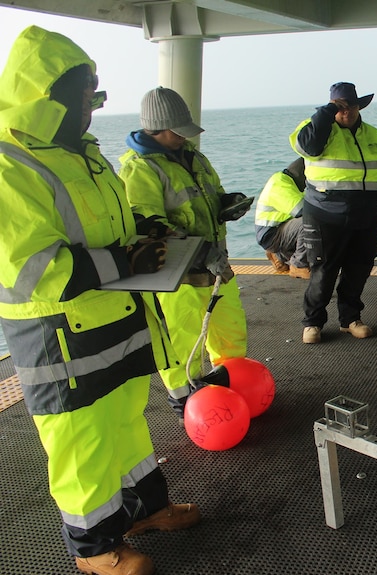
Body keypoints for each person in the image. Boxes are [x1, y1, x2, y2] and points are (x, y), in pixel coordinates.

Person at [0, 26, 199, 575]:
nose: (92, 108)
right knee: (81, 440)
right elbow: (35, 270)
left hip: (114, 318)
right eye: (86, 97)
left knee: (125, 422)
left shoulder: (84, 154)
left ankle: (142, 510)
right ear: (49, 99)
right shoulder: (8, 164)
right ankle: (95, 551)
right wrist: (125, 262)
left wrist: (148, 240)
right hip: (60, 335)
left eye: (96, 96)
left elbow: (113, 226)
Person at [119, 87, 250, 418]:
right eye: (178, 131)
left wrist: (226, 203)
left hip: (216, 268)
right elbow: (145, 224)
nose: (184, 137)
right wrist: (200, 250)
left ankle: (232, 390)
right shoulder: (140, 169)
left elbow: (211, 194)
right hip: (178, 278)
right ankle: (190, 405)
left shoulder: (194, 157)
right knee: (182, 345)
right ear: (157, 128)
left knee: (231, 331)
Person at [290, 82, 377, 344]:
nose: (346, 112)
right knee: (323, 271)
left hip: (366, 216)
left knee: (359, 270)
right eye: (339, 107)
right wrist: (325, 113)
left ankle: (350, 319)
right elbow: (309, 147)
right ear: (331, 108)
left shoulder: (376, 137)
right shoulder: (316, 130)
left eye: (350, 106)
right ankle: (313, 323)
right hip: (324, 215)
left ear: (358, 106)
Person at [254, 157, 311, 279]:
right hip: (270, 235)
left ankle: (279, 256)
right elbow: (303, 211)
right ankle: (298, 266)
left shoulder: (291, 184)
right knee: (309, 224)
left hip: (279, 229)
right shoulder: (280, 184)